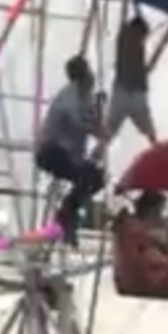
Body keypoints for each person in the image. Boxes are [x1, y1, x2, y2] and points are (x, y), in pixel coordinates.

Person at [36, 55, 104, 244]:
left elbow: (94, 125)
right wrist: (99, 126)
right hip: (52, 152)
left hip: (64, 153)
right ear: (84, 76)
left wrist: (98, 113)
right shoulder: (70, 98)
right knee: (89, 177)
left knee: (95, 177)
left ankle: (68, 215)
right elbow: (85, 124)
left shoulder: (84, 97)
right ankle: (66, 215)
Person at [103, 16, 157, 146]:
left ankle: (95, 156)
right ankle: (95, 156)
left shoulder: (128, 39)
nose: (143, 39)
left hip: (127, 90)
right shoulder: (128, 37)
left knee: (109, 132)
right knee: (149, 131)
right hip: (131, 91)